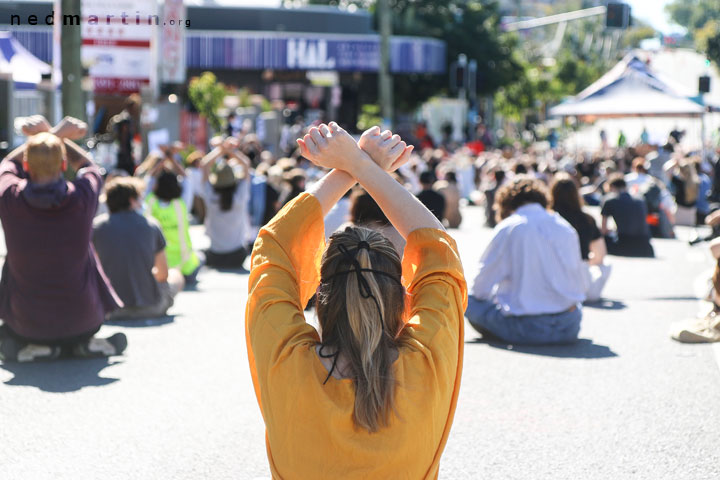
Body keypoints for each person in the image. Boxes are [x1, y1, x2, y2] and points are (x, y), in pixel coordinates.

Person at [245, 122, 466, 478]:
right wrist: (362, 166)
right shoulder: (426, 361)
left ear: (321, 294)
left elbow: (273, 248)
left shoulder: (285, 360)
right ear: (401, 296)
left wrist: (350, 168)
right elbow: (439, 250)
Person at [0, 116, 126, 362]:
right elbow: (90, 167)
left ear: (26, 166)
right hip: (84, 319)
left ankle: (39, 347)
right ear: (63, 165)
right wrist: (57, 136)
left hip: (27, 323)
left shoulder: (10, 198)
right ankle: (84, 344)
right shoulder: (82, 197)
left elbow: (5, 164)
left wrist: (41, 138)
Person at [465, 176, 586, 345]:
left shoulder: (510, 227)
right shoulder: (564, 226)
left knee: (465, 299)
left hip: (528, 327)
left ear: (505, 204)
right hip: (569, 324)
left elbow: (480, 288)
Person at [93, 177, 185, 319]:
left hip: (108, 309)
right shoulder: (151, 225)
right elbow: (163, 274)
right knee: (176, 275)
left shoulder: (96, 227)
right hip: (151, 306)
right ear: (132, 200)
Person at [551, 173, 612, 302]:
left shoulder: (547, 219)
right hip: (580, 283)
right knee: (606, 265)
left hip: (550, 281)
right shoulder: (586, 219)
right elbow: (600, 255)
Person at [198, 138, 251, 269]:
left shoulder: (211, 197)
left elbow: (204, 165)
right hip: (238, 255)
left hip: (215, 255)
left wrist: (220, 150)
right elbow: (246, 165)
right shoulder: (239, 197)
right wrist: (231, 151)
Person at [146, 170, 202, 283]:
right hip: (184, 268)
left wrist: (162, 159)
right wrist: (172, 158)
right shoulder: (182, 203)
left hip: (157, 268)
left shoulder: (149, 202)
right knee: (200, 257)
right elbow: (187, 180)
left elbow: (148, 179)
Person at [601, 173, 654, 257]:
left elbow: (603, 230)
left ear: (612, 188)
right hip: (645, 246)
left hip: (623, 245)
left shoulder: (610, 200)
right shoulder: (640, 200)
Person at [108, 94, 141, 175]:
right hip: (125, 156)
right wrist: (127, 156)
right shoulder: (126, 120)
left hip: (122, 154)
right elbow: (124, 138)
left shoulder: (125, 118)